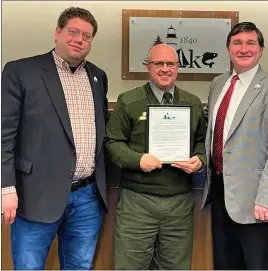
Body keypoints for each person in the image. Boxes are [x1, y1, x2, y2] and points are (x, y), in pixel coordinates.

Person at [1, 7, 109, 270]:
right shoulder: (20, 71)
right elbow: (4, 134)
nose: (79, 39)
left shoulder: (97, 77)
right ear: (58, 32)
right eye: (73, 32)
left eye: (87, 35)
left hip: (86, 197)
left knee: (80, 266)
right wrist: (6, 188)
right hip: (35, 195)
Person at [201, 22, 268, 270]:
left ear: (261, 49)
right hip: (220, 191)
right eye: (237, 43)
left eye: (250, 43)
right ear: (228, 48)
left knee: (256, 265)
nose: (244, 49)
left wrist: (267, 199)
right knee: (224, 263)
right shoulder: (218, 84)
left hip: (256, 201)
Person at [105, 43, 207, 270]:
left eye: (170, 63)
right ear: (148, 67)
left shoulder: (192, 102)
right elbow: (112, 142)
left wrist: (200, 159)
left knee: (176, 267)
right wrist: (137, 160)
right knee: (129, 266)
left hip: (179, 202)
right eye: (158, 63)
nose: (164, 69)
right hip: (137, 202)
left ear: (178, 67)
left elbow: (202, 140)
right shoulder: (129, 100)